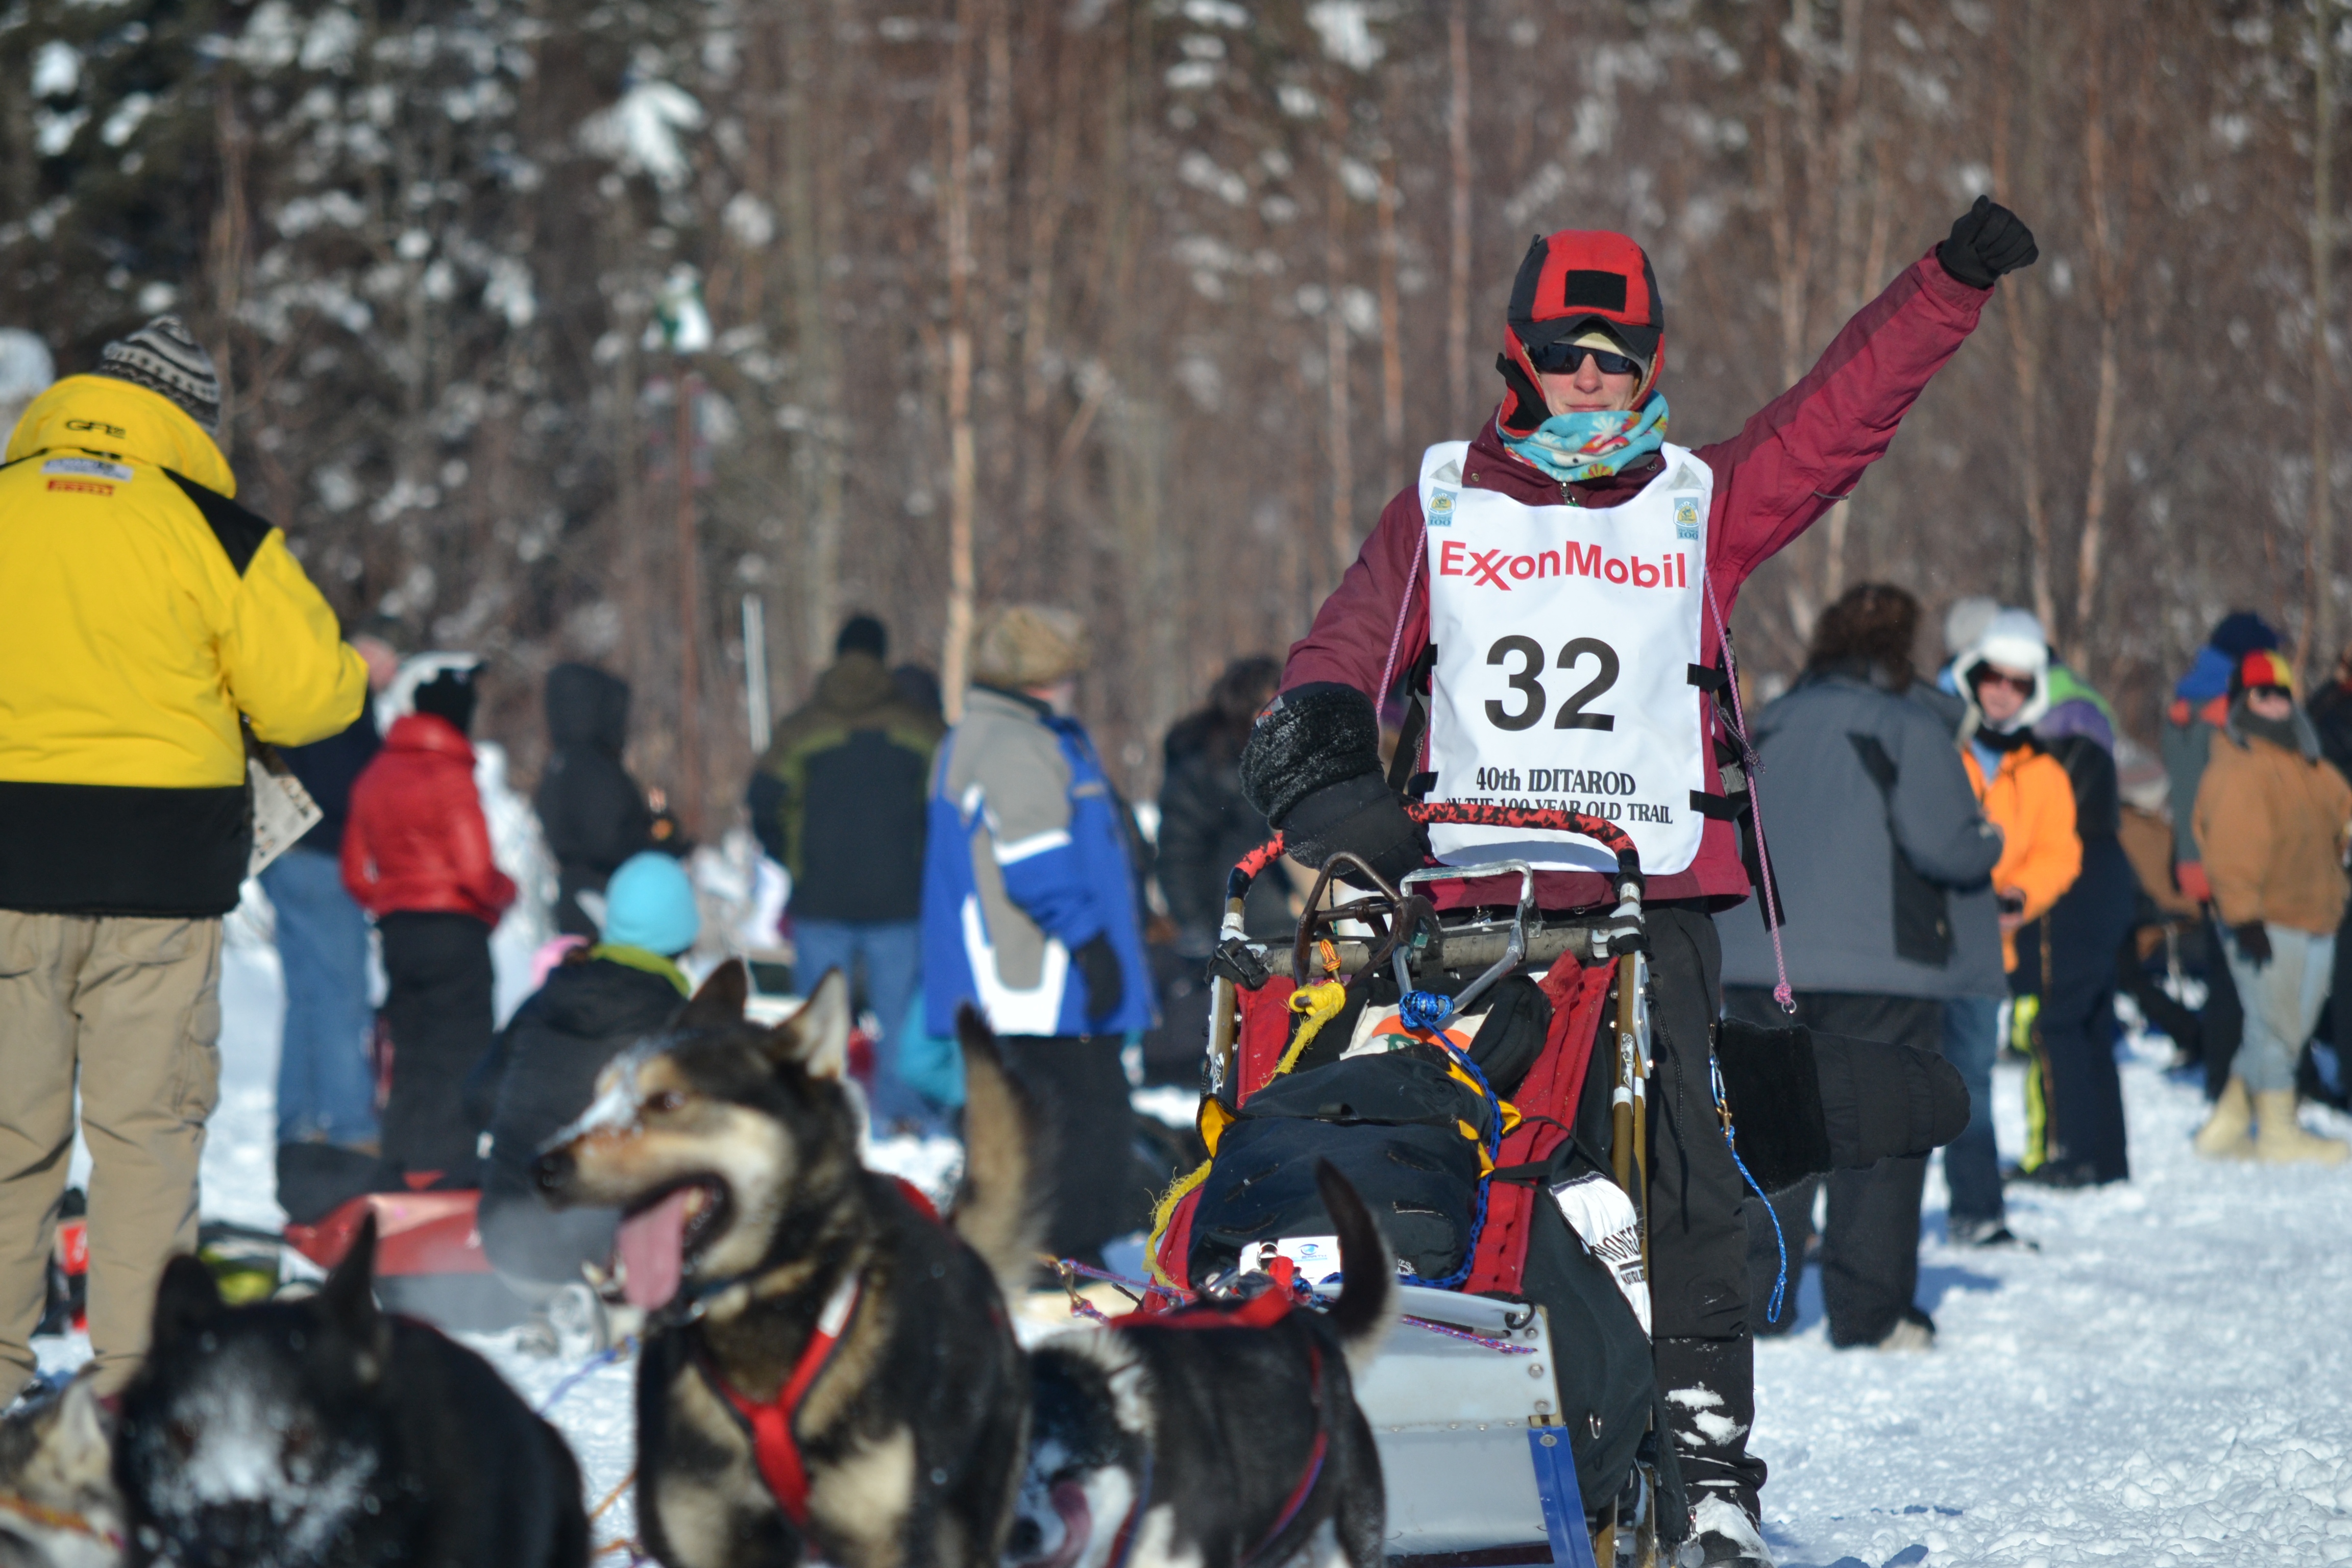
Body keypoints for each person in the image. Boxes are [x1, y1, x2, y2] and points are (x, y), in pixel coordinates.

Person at [1236, 200, 2038, 1560]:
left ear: (1652, 364)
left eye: (1617, 356)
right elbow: (1339, 654)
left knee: (1684, 1169)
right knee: (1456, 1155)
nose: (1592, 379)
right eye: (1567, 354)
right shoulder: (1443, 502)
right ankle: (1425, 1411)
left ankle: (1708, 1455)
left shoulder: (1699, 502)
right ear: (1519, 355)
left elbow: (1837, 417)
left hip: (1647, 900)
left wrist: (1945, 287)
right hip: (1470, 905)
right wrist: (1333, 782)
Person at [0, 316, 366, 1395]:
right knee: (145, 1140)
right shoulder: (212, 530)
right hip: (161, 879)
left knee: (7, 1135)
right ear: (190, 425)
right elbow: (314, 696)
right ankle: (135, 1385)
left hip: (10, 866)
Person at [1719, 585, 2005, 1348]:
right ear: (1901, 652)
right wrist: (1992, 840)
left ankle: (1755, 1305)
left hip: (1758, 954)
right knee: (1876, 1131)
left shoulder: (1766, 723)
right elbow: (1944, 845)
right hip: (1878, 966)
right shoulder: (1908, 725)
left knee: (1767, 1129)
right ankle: (1869, 1313)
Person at [922, 605, 1158, 1263]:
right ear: (1043, 677)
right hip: (1044, 982)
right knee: (1085, 1127)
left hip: (1031, 982)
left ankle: (1043, 1251)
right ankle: (1064, 1257)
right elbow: (1034, 866)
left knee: (1033, 1126)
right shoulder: (1016, 746)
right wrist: (1091, 942)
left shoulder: (998, 733)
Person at [470, 851, 697, 1311]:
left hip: (504, 1243)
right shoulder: (678, 1026)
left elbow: (477, 1097)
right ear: (684, 935)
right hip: (606, 1262)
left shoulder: (546, 996)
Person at [749, 615, 948, 1131]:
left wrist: (793, 862)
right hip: (901, 901)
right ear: (883, 658)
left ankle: (818, 1119)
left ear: (837, 656)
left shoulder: (800, 729)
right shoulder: (920, 730)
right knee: (901, 1019)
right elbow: (950, 804)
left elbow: (764, 800)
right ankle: (902, 1121)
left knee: (821, 1020)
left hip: (819, 900)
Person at [343, 655, 517, 1186]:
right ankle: (450, 1172)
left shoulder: (375, 772)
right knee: (463, 1052)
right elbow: (474, 869)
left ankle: (404, 1164)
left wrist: (392, 898)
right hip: (455, 931)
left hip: (400, 934)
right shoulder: (451, 775)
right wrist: (503, 895)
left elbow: (355, 872)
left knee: (413, 1051)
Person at [2190, 649, 2352, 1164]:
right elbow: (2231, 852)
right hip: (2268, 919)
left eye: (2282, 693)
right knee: (2279, 1024)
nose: (2275, 703)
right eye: (2263, 693)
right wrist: (2243, 917)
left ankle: (2228, 1122)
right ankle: (2280, 1130)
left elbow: (2343, 812)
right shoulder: (2238, 768)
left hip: (2319, 913)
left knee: (2288, 1026)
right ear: (2242, 701)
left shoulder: (2310, 764)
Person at [264, 630, 400, 1222]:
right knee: (343, 995)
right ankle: (348, 1126)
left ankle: (297, 1119)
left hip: (279, 847)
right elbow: (361, 781)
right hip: (321, 853)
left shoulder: (297, 682)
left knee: (306, 997)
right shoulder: (344, 696)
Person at [1146, 657, 1289, 1085]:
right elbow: (1178, 851)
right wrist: (1191, 923)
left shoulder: (1275, 755)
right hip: (1232, 917)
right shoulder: (1205, 762)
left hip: (1277, 917)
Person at [2164, 612, 2283, 1096]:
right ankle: (2241, 1085)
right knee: (2251, 981)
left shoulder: (2184, 704)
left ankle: (2221, 1079)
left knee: (2223, 976)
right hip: (2235, 860)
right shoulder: (2236, 709)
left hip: (2193, 858)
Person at [535, 662, 653, 937]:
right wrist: (650, 844)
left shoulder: (562, 762)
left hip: (577, 890)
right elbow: (607, 838)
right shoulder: (594, 769)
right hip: (601, 895)